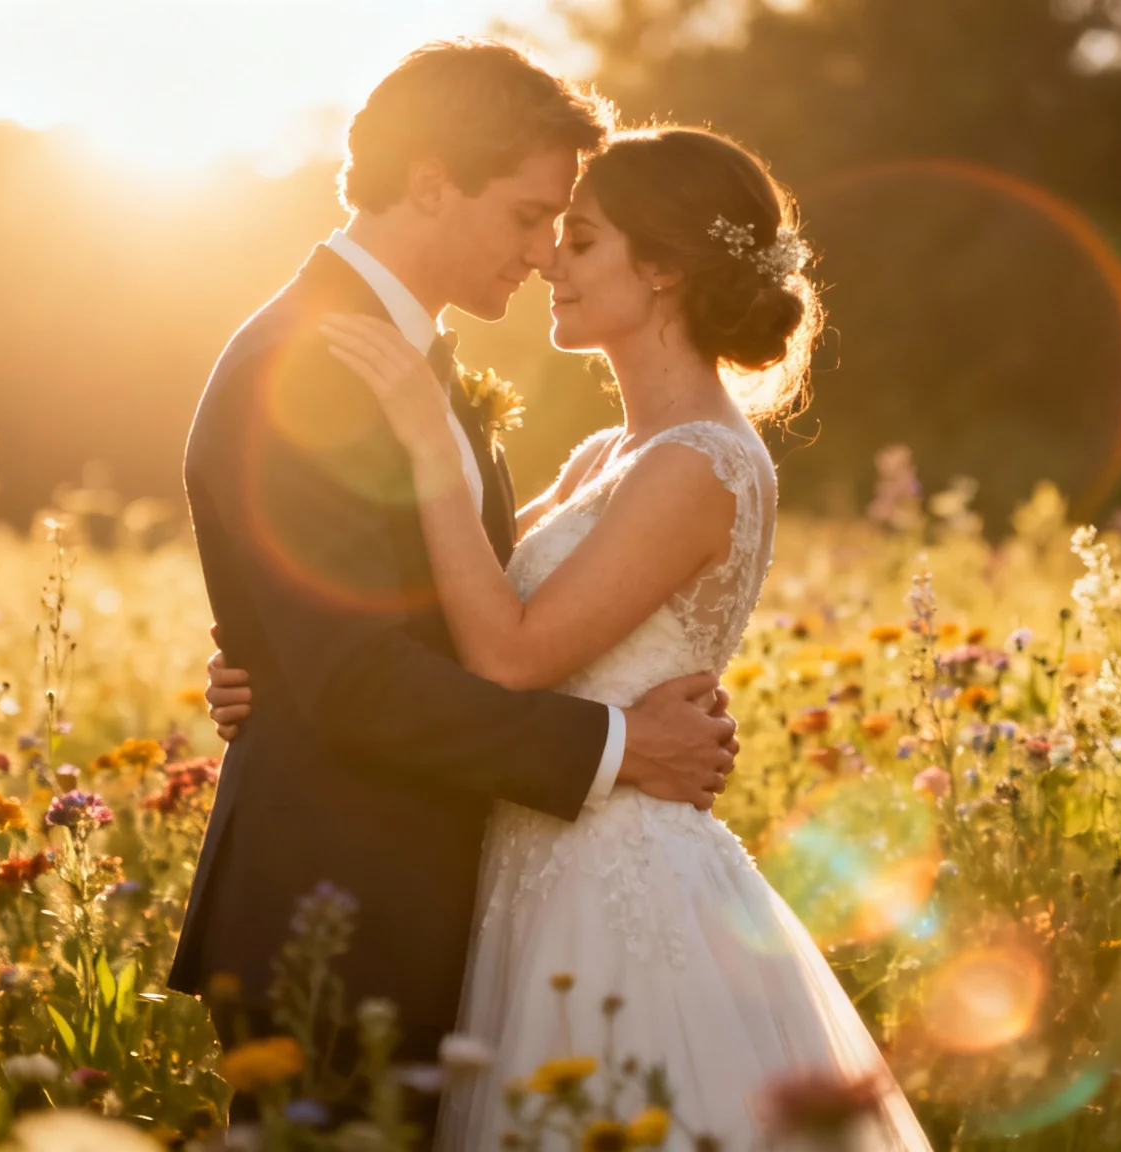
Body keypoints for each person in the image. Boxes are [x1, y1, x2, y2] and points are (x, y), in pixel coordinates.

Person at [206, 118, 932, 1148]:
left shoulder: (698, 465)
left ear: (667, 269)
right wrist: (275, 667)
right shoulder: (606, 452)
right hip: (523, 858)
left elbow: (508, 653)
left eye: (579, 238)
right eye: (547, 227)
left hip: (615, 877)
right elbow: (450, 611)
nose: (549, 256)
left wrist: (426, 442)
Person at [166, 40, 744, 1122]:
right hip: (338, 915)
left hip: (426, 903)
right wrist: (622, 748)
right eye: (529, 215)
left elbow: (404, 621)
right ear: (430, 182)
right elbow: (355, 678)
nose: (542, 253)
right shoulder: (308, 366)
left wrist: (277, 669)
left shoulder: (398, 355)